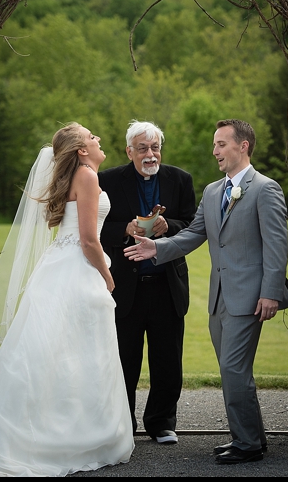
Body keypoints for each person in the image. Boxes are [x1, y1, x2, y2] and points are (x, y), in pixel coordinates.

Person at [0, 123, 133, 476]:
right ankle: (74, 434)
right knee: (79, 351)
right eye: (92, 137)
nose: (98, 140)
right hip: (77, 270)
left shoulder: (77, 175)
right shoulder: (88, 176)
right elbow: (90, 241)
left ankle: (53, 428)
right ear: (81, 150)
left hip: (58, 267)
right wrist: (108, 278)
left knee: (54, 352)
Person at [125, 119, 288, 464]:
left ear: (243, 146)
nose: (214, 150)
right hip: (219, 298)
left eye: (221, 144)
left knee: (233, 370)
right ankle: (251, 437)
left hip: (250, 296)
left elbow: (277, 246)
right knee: (233, 371)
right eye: (214, 144)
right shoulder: (214, 191)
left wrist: (271, 293)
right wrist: (156, 249)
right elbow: (193, 234)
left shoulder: (266, 188)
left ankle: (247, 445)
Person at [98, 121, 196, 444]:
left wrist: (170, 225)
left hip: (167, 284)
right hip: (126, 286)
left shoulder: (180, 180)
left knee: (168, 359)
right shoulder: (107, 180)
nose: (150, 154)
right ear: (129, 151)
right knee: (124, 359)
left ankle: (162, 422)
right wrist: (125, 229)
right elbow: (95, 227)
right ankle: (123, 425)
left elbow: (192, 224)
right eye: (142, 148)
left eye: (155, 147)